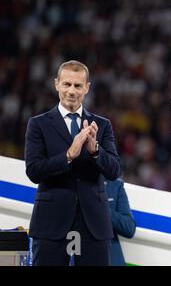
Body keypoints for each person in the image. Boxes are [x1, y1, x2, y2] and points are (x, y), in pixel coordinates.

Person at [24, 60, 121, 266]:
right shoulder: (38, 124)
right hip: (51, 223)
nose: (71, 91)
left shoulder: (102, 125)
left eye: (78, 85)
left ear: (87, 88)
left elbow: (114, 171)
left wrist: (95, 151)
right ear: (56, 84)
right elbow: (34, 171)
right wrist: (68, 155)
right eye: (66, 84)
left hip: (92, 225)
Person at [104, 176, 136, 266]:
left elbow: (129, 228)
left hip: (111, 258)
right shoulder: (73, 183)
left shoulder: (115, 185)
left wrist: (104, 210)